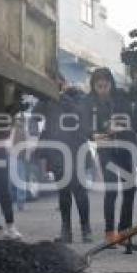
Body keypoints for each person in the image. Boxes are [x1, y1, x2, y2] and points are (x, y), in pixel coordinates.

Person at [86, 67, 137, 248]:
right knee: (111, 189)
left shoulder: (121, 97)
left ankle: (124, 231)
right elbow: (84, 125)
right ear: (93, 86)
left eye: (105, 85)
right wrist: (95, 133)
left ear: (111, 84)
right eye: (98, 86)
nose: (102, 89)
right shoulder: (89, 101)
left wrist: (120, 126)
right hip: (106, 148)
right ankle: (110, 233)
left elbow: (131, 118)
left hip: (124, 146)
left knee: (130, 189)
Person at [36, 77, 92, 243]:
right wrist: (44, 96)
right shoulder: (48, 100)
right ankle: (66, 231)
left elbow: (78, 113)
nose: (57, 85)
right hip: (57, 152)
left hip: (76, 152)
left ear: (65, 83)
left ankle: (85, 229)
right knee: (63, 193)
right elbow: (36, 115)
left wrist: (61, 96)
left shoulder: (79, 97)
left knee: (80, 191)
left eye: (59, 82)